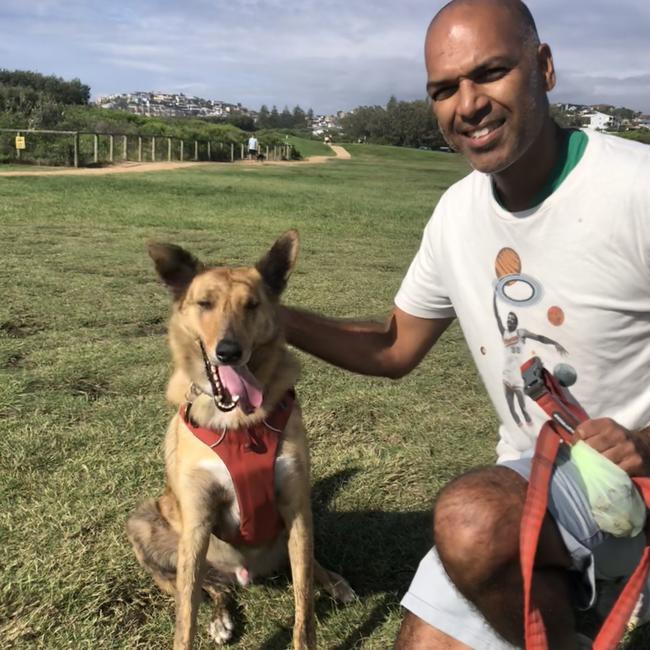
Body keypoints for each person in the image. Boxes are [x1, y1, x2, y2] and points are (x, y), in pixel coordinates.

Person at [281, 0, 650, 648]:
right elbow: (395, 346)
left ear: (544, 68)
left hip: (637, 479)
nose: (467, 104)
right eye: (444, 89)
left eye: (490, 73)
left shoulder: (634, 189)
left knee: (470, 521)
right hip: (536, 480)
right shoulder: (456, 216)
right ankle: (566, 594)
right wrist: (273, 318)